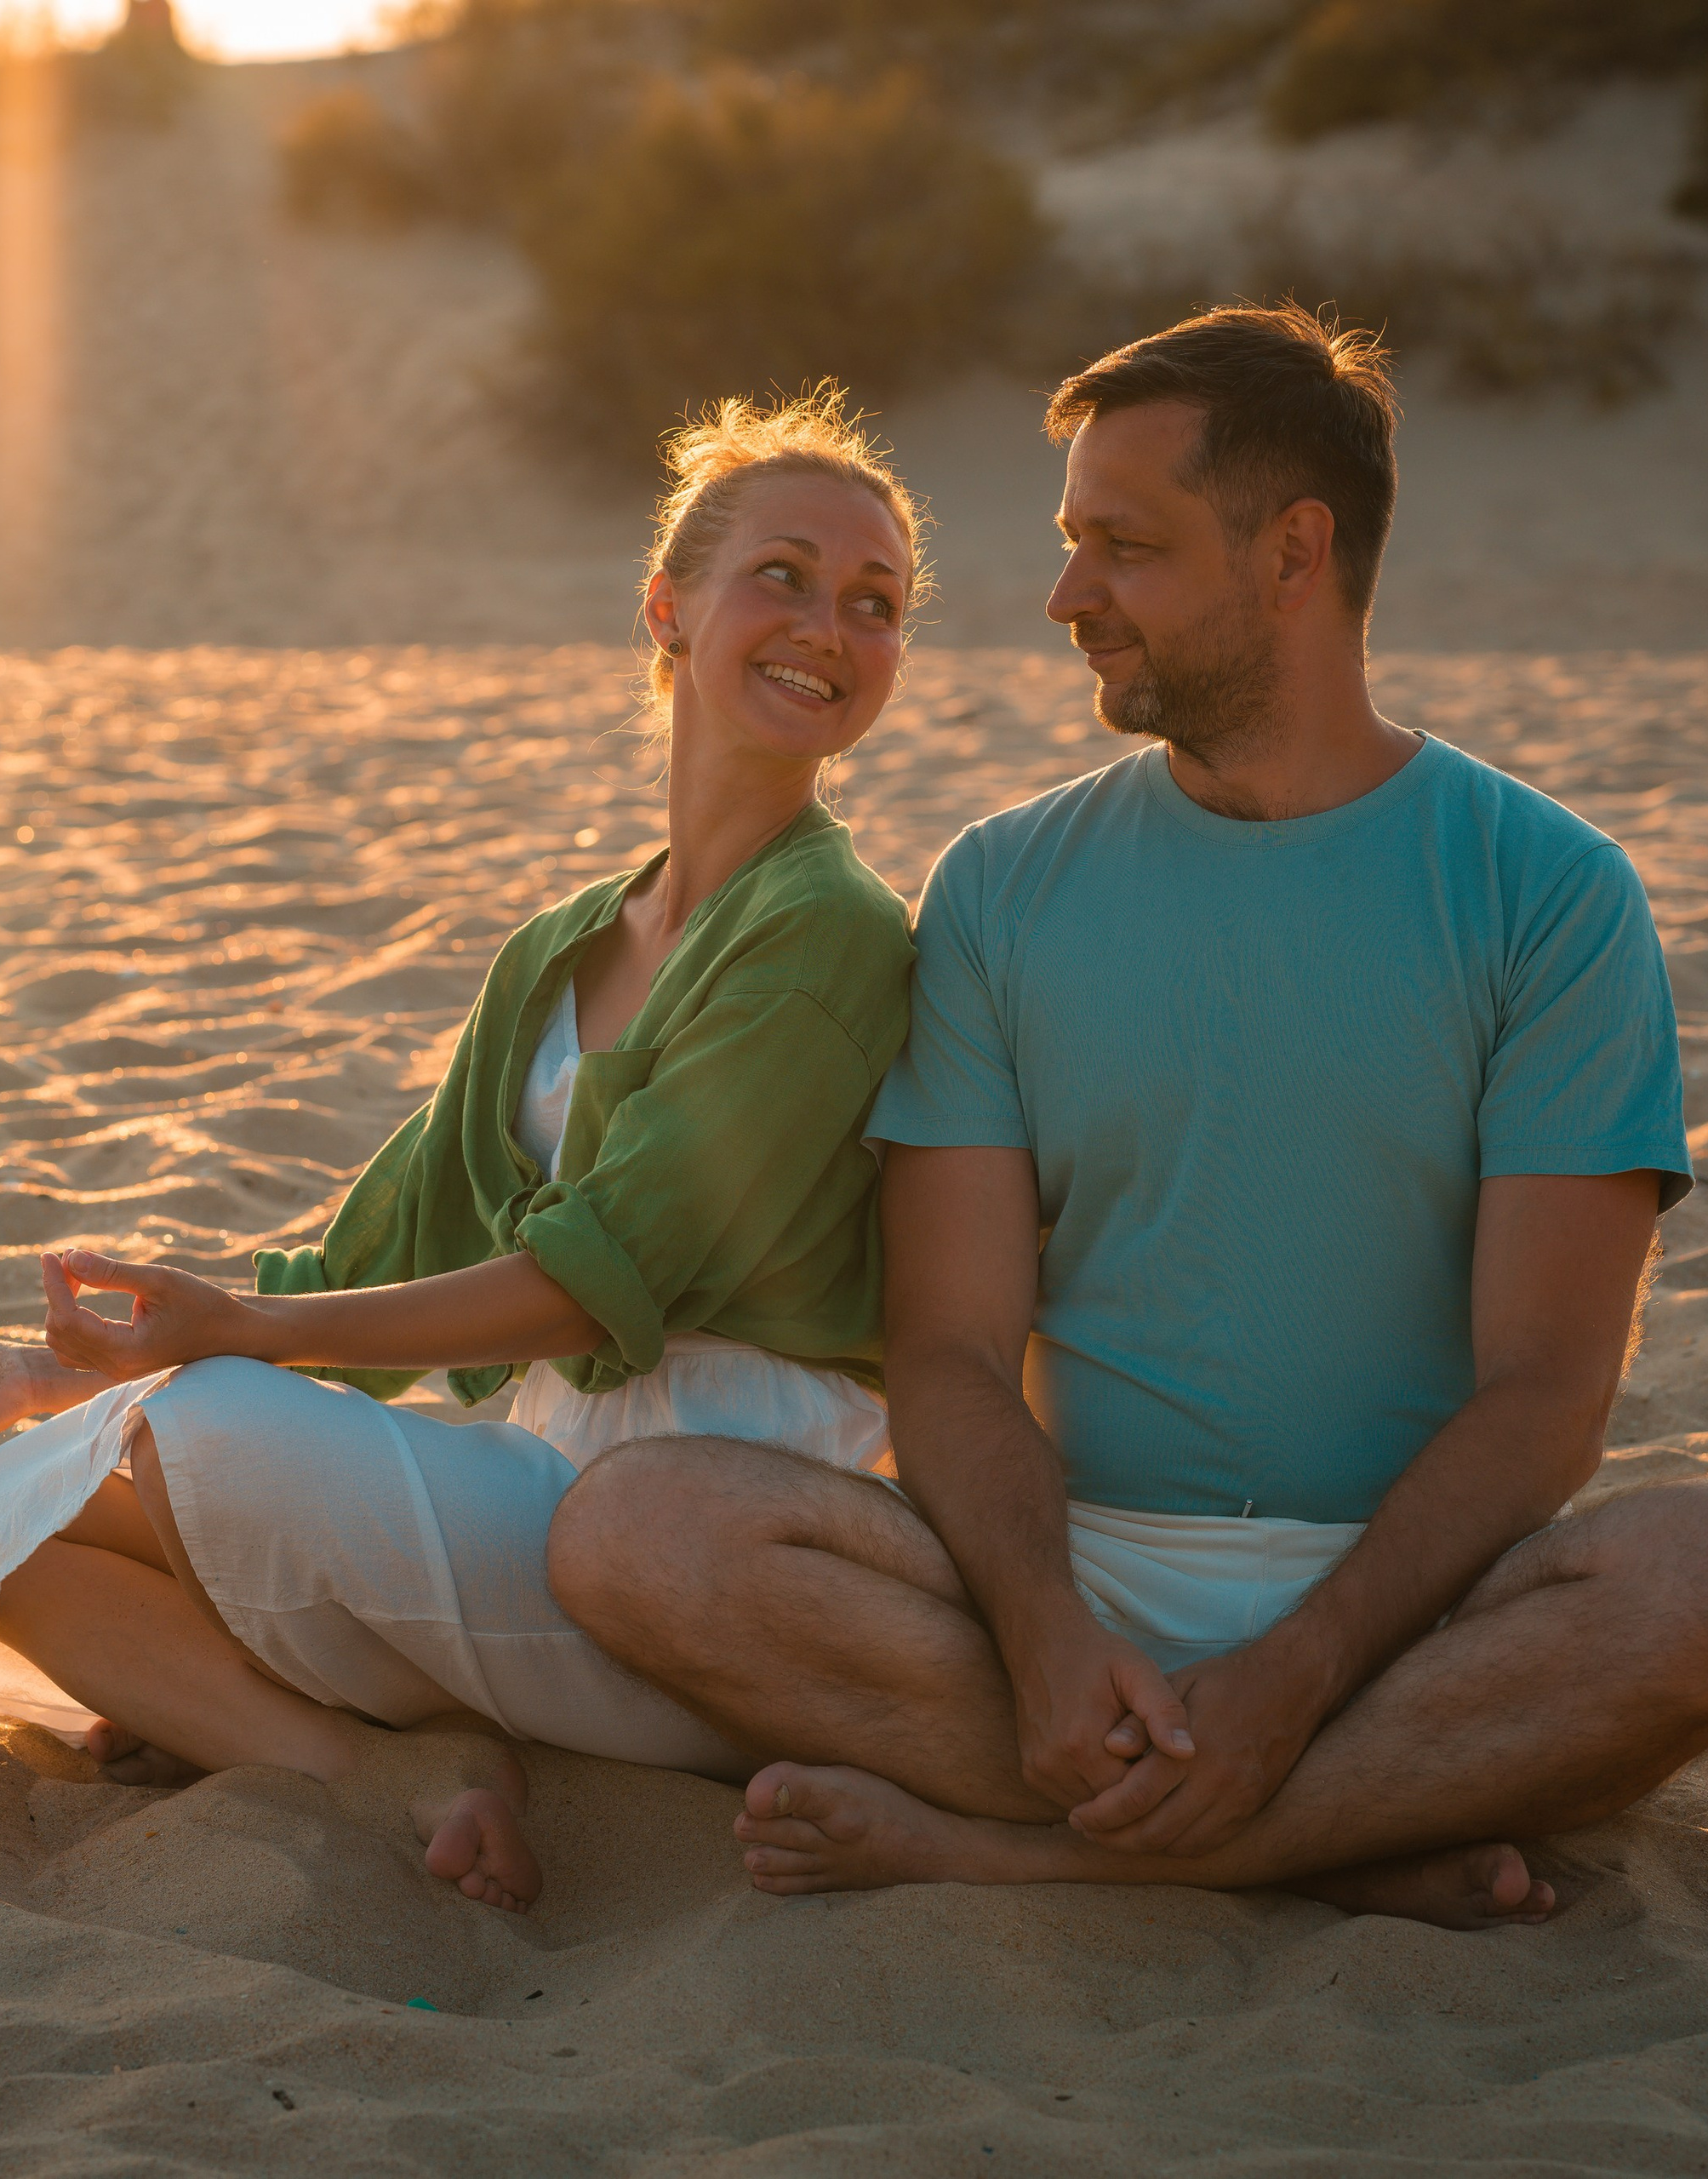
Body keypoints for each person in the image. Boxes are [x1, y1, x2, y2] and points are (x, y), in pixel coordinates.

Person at [544, 305, 1699, 1930]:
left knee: (1691, 1589)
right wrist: (1041, 1637)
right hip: (1067, 1584)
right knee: (638, 1530)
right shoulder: (1006, 888)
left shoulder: (1548, 895)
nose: (1064, 597)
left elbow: (1546, 1396)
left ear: (1295, 555)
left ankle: (1024, 1847)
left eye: (1124, 548)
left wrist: (1300, 1671)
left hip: (1416, 1614)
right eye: (1070, 541)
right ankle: (1333, 1844)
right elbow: (947, 1348)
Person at [0, 388, 921, 1914]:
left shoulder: (828, 931)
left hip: (708, 1554)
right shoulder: (560, 947)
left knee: (210, 1430)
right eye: (784, 574)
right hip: (534, 1498)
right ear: (667, 607)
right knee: (4, 1516)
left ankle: (352, 1708)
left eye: (875, 603)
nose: (829, 625)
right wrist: (64, 1375)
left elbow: (585, 1281)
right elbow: (380, 1258)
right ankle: (374, 1769)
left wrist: (227, 1340)